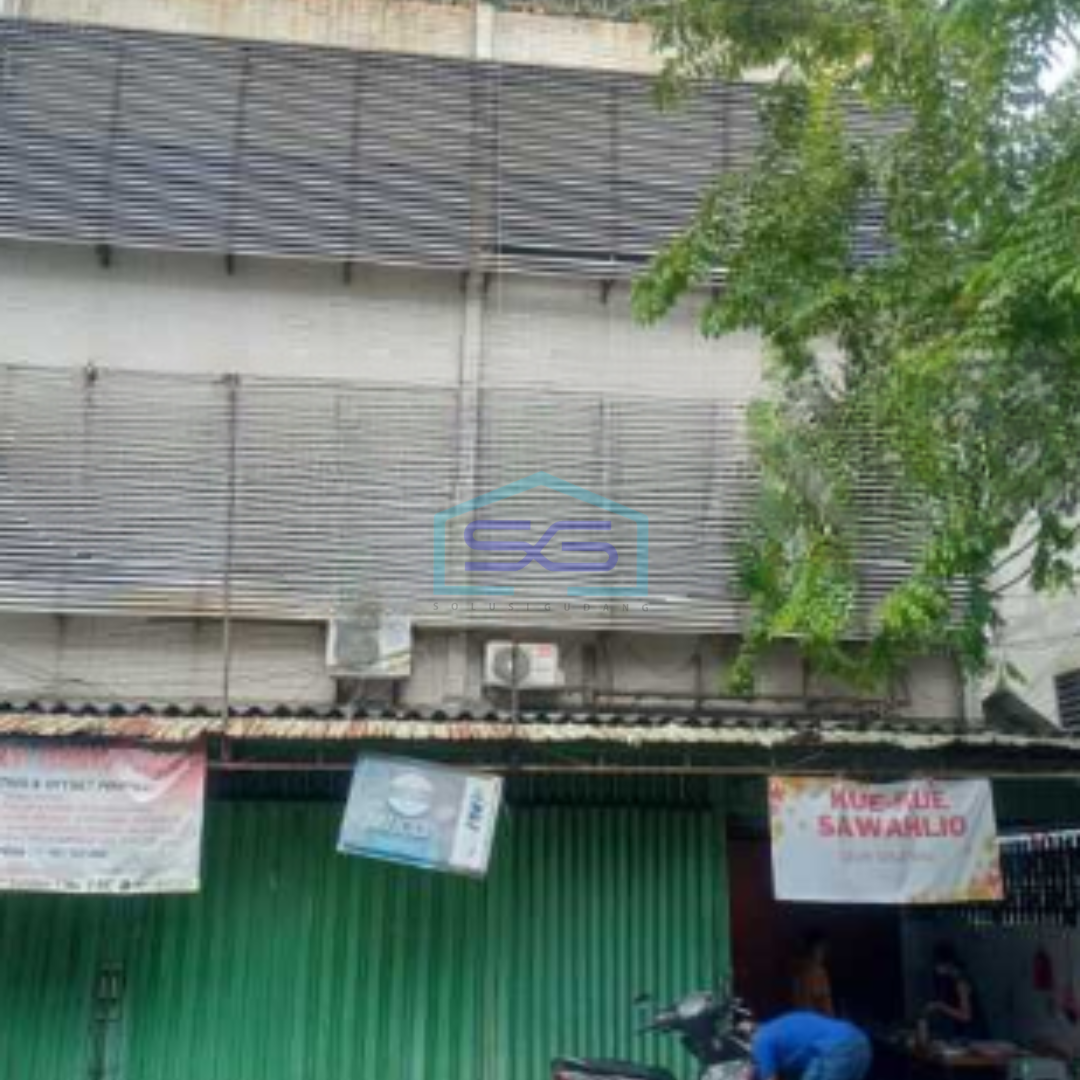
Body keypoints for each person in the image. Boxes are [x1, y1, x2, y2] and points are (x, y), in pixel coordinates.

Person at [747, 1012, 872, 1080]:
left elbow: (769, 1077)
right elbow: (756, 1069)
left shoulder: (761, 1039)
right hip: (860, 1040)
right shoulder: (777, 1028)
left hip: (835, 1048)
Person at [922, 943, 986, 1039]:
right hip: (962, 1033)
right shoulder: (950, 979)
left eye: (936, 964)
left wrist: (940, 1006)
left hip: (973, 1034)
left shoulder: (961, 982)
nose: (935, 968)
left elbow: (966, 1016)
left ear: (947, 964)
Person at [792, 931, 835, 1016]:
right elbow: (823, 1002)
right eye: (822, 949)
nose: (824, 953)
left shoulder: (799, 970)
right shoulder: (816, 971)